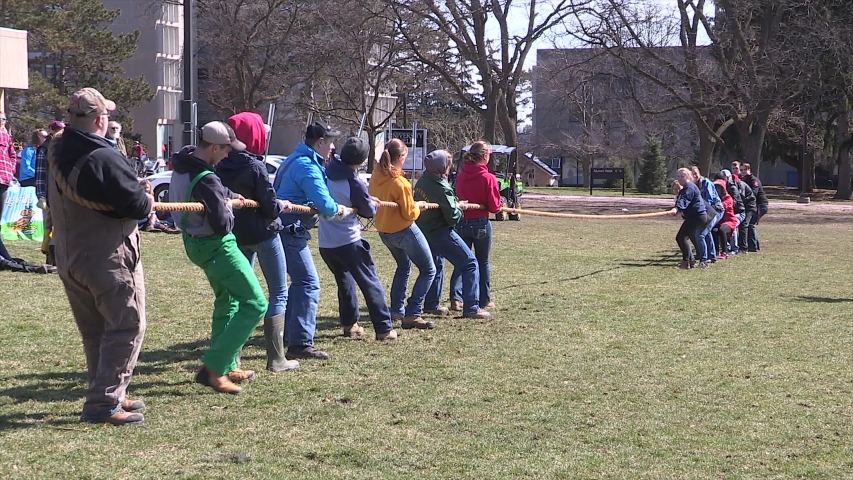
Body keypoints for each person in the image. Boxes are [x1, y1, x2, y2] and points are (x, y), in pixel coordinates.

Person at [49, 88, 153, 425]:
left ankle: (110, 392)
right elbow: (137, 206)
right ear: (100, 119)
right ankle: (103, 404)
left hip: (68, 254)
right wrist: (144, 195)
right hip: (106, 257)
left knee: (95, 331)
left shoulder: (57, 148)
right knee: (126, 326)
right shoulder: (104, 157)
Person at [169, 121, 267, 395]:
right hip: (217, 246)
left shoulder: (184, 164)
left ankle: (228, 363)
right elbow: (223, 223)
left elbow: (216, 194)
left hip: (196, 244)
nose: (227, 155)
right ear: (214, 147)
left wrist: (231, 196)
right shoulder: (207, 178)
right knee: (255, 303)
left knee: (228, 300)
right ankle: (214, 367)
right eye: (225, 150)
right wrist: (227, 205)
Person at [216, 111, 299, 373]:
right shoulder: (255, 166)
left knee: (241, 296)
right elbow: (270, 206)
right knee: (279, 291)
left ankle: (235, 358)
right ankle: (276, 359)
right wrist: (281, 205)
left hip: (237, 236)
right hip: (264, 235)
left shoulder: (219, 164)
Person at [274, 121, 351, 360]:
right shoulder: (307, 166)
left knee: (299, 283)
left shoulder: (293, 159)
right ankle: (300, 343)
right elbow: (326, 205)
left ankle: (288, 334)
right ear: (320, 142)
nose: (333, 147)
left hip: (283, 228)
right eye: (330, 142)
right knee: (308, 283)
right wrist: (339, 209)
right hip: (290, 230)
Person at [318, 137, 398, 341]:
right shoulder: (354, 182)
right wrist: (372, 204)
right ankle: (384, 328)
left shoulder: (325, 173)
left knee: (345, 283)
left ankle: (349, 324)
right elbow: (368, 212)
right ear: (361, 161)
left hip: (326, 243)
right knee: (370, 282)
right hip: (349, 241)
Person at [368, 139, 436, 330]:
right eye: (404, 158)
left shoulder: (375, 176)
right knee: (429, 270)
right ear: (399, 158)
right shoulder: (401, 183)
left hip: (384, 231)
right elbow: (409, 213)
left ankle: (396, 310)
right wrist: (418, 207)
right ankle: (413, 313)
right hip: (404, 231)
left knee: (404, 266)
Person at [415, 150, 491, 319]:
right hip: (440, 231)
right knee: (470, 263)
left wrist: (453, 204)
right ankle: (472, 307)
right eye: (448, 164)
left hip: (424, 230)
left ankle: (431, 304)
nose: (449, 167)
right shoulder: (442, 186)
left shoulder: (423, 180)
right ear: (442, 166)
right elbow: (452, 217)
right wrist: (458, 208)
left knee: (436, 265)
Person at [448, 141, 501, 312]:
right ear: (485, 156)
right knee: (482, 261)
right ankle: (484, 299)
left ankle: (456, 298)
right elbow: (494, 207)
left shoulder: (461, 175)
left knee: (461, 261)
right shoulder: (489, 178)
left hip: (462, 222)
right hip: (480, 223)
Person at [36, 121, 65, 265]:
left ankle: (61, 259)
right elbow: (40, 174)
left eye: (62, 129)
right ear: (51, 131)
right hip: (48, 194)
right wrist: (41, 196)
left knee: (62, 227)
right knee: (49, 227)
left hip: (64, 194)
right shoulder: (44, 149)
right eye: (57, 130)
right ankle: (50, 258)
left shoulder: (67, 148)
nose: (60, 132)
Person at [669, 167, 708, 269]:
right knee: (686, 237)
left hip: (697, 216)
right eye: (678, 176)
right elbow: (681, 199)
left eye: (683, 176)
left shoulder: (689, 187)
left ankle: (686, 262)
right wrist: (676, 208)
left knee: (681, 237)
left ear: (688, 176)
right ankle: (691, 260)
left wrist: (677, 208)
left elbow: (685, 199)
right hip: (694, 217)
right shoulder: (686, 187)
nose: (680, 178)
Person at [690, 166, 722, 264]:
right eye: (692, 174)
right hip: (705, 211)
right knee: (706, 232)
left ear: (699, 173)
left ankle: (704, 259)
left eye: (696, 173)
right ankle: (712, 256)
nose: (695, 175)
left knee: (700, 233)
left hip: (716, 210)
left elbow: (710, 199)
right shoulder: (693, 185)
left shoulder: (706, 182)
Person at [739, 162, 768, 252]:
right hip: (753, 205)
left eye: (744, 170)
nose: (743, 172)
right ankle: (754, 245)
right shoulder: (743, 180)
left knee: (749, 224)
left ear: (749, 170)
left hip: (761, 205)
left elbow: (753, 193)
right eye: (741, 170)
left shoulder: (753, 180)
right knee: (750, 224)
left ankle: (753, 246)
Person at [0, 113, 18, 261]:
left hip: (3, 179)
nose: (2, 121)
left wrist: (11, 170)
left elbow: (12, 155)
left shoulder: (6, 136)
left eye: (4, 119)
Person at [711, 179, 738, 260]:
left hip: (730, 221)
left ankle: (724, 252)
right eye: (715, 187)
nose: (716, 189)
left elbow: (721, 206)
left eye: (718, 187)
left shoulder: (728, 198)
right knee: (713, 230)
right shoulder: (715, 198)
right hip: (719, 221)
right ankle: (714, 251)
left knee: (722, 230)